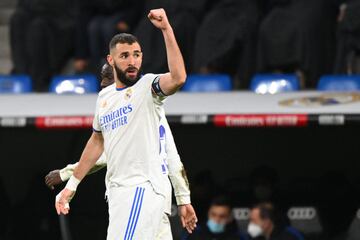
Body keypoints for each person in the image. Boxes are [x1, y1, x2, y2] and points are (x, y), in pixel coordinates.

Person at [55, 9, 197, 240]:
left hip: (139, 190)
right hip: (126, 195)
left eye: (137, 55)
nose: (132, 61)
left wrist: (166, 30)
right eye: (125, 56)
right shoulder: (105, 98)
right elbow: (97, 141)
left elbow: (178, 77)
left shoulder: (147, 88)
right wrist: (72, 184)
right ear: (110, 60)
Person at [10, 0, 75, 91]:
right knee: (17, 19)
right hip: (37, 17)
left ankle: (40, 79)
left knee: (38, 27)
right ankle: (22, 75)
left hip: (59, 24)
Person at [193, 0, 261, 88]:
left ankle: (242, 82)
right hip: (221, 8)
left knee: (246, 28)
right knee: (206, 28)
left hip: (246, 7)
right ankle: (204, 74)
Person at [73, 0, 144, 73]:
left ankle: (113, 65)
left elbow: (137, 5)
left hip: (125, 14)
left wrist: (128, 21)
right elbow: (84, 14)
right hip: (100, 16)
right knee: (94, 27)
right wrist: (81, 55)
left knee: (107, 28)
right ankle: (100, 66)